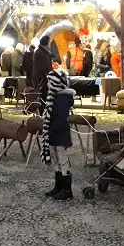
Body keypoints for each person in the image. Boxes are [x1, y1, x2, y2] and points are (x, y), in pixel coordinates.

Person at [41, 68, 76, 200]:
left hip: (59, 134)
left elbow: (60, 118)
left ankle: (67, 190)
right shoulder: (55, 97)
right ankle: (58, 186)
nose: (48, 84)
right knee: (56, 160)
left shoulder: (62, 98)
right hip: (54, 134)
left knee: (62, 160)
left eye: (50, 82)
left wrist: (51, 128)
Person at [32, 35, 54, 108]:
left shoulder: (44, 53)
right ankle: (42, 115)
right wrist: (47, 77)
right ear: (46, 43)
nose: (50, 44)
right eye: (49, 42)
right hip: (42, 80)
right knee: (43, 98)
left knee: (46, 98)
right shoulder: (41, 53)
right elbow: (41, 68)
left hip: (45, 79)